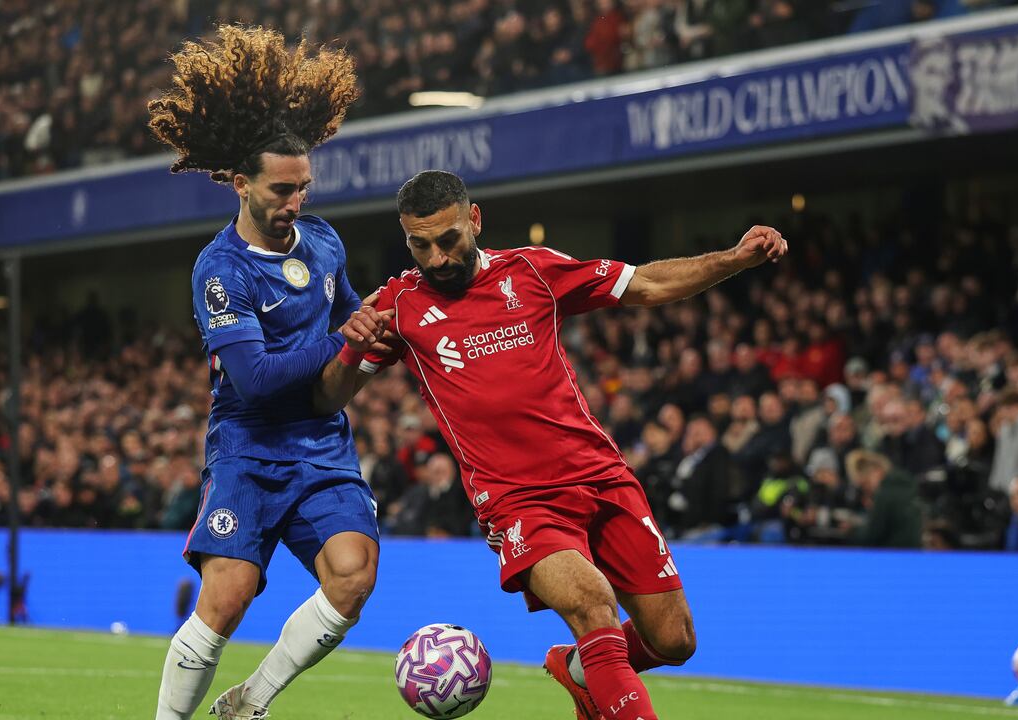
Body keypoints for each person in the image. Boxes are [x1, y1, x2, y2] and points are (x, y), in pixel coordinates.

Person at [314, 170, 788, 720]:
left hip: (600, 474)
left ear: (475, 220)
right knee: (593, 605)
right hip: (519, 501)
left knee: (674, 638)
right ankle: (600, 663)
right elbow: (329, 397)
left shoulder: (532, 271)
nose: (438, 259)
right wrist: (348, 349)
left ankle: (583, 668)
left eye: (448, 241)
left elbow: (646, 285)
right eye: (421, 246)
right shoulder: (399, 305)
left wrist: (733, 259)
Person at [146, 25, 390, 720]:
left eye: (304, 187)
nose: (295, 203)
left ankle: (251, 702)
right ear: (239, 183)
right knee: (226, 599)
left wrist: (374, 328)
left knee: (353, 577)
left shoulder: (323, 241)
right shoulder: (219, 269)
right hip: (248, 446)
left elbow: (347, 328)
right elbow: (253, 377)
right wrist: (343, 336)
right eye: (281, 190)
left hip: (320, 444)